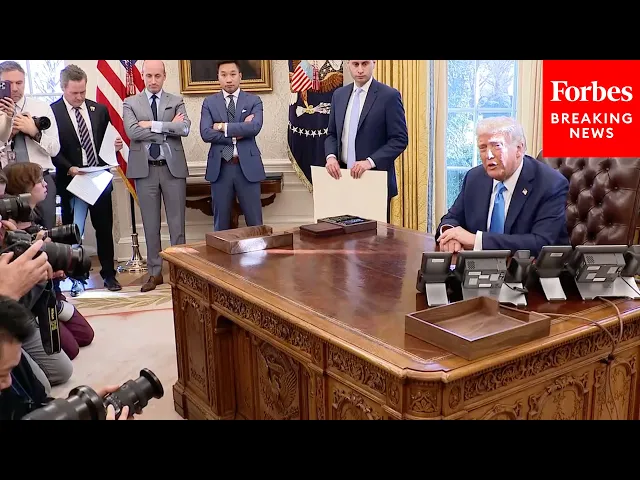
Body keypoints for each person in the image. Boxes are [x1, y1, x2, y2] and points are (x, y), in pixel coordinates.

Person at [436, 116, 570, 258]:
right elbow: (451, 218)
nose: (488, 155)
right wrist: (450, 236)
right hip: (479, 267)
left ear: (519, 149)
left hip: (531, 269)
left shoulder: (550, 184)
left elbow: (541, 243)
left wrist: (477, 241)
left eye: (496, 146)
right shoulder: (474, 178)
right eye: (483, 148)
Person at [3, 162, 94, 364]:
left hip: (51, 293)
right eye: (39, 181)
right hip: (32, 300)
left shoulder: (37, 215)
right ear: (24, 187)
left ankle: (58, 310)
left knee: (85, 335)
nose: (45, 184)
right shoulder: (11, 230)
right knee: (70, 350)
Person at [50, 64, 121, 295]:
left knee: (104, 229)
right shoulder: (52, 113)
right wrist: (68, 168)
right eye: (74, 93)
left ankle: (109, 274)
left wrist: (115, 145)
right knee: (74, 233)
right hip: (72, 181)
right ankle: (76, 278)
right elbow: (51, 149)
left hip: (98, 179)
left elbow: (107, 140)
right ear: (63, 88)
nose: (79, 97)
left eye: (83, 92)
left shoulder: (98, 110)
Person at [0, 295, 132, 420]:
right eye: (2, 375)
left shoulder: (15, 364)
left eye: (10, 371)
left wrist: (82, 407)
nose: (9, 382)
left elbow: (37, 402)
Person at [122, 60, 191, 292]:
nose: (153, 81)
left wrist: (152, 125)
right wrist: (167, 128)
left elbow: (184, 128)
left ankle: (180, 272)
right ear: (142, 75)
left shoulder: (176, 101)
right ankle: (155, 273)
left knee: (177, 225)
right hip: (145, 170)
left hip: (173, 169)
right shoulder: (130, 102)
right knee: (151, 225)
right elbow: (132, 132)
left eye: (157, 76)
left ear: (164, 76)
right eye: (149, 76)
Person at [324, 60, 409, 223]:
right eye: (355, 64)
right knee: (341, 235)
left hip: (374, 181)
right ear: (348, 64)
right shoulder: (338, 95)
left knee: (375, 237)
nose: (360, 70)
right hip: (342, 180)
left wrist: (370, 162)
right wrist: (331, 157)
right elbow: (332, 134)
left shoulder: (389, 96)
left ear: (374, 63)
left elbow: (400, 139)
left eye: (365, 64)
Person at [200, 60, 266, 231]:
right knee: (220, 225)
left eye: (232, 74)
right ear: (218, 77)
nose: (228, 79)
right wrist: (239, 132)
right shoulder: (209, 102)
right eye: (224, 75)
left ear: (240, 76)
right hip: (221, 168)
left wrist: (222, 127)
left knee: (255, 223)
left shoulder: (254, 101)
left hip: (247, 168)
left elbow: (254, 127)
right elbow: (206, 133)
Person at [0, 61, 60, 230]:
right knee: (11, 233)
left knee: (46, 231)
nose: (15, 88)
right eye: (8, 83)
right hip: (9, 183)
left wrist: (34, 132)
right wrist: (9, 132)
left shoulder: (41, 107)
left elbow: (55, 149)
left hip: (40, 180)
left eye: (19, 83)